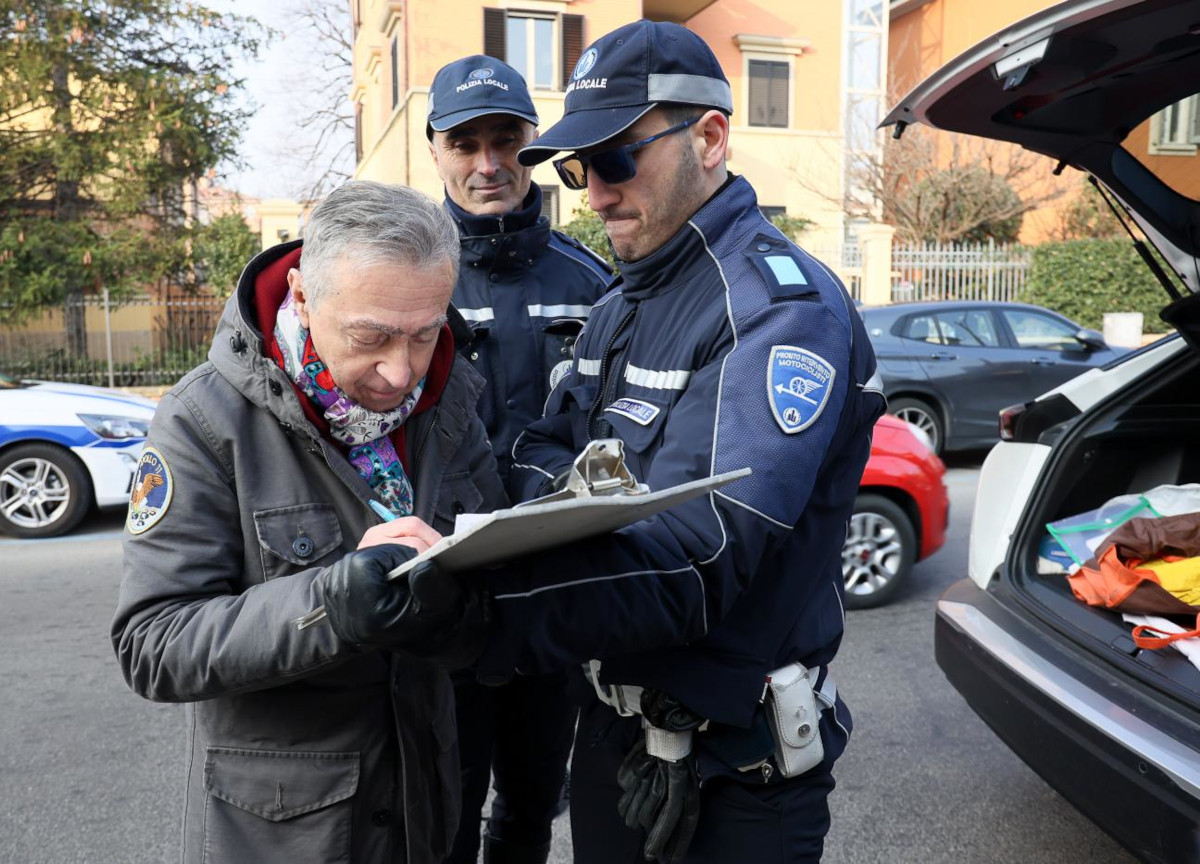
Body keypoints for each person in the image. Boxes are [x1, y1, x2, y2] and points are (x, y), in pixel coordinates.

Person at [312, 20, 886, 864]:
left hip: (738, 766)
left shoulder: (776, 306)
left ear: (711, 137)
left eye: (617, 160)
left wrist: (472, 609)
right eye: (579, 169)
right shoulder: (622, 303)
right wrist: (588, 490)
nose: (595, 194)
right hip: (615, 735)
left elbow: (703, 554)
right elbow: (543, 450)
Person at [111, 181, 506, 864]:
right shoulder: (205, 421)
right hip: (282, 833)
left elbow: (489, 599)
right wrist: (330, 606)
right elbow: (153, 645)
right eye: (371, 337)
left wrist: (457, 609)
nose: (400, 370)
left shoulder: (450, 402)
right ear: (301, 296)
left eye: (424, 333)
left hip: (426, 814)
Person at [425, 55, 612, 864]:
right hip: (441, 596)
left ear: (532, 145)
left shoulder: (593, 281)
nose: (487, 165)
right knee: (446, 807)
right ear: (435, 149)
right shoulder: (410, 277)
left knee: (534, 802)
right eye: (465, 144)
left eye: (505, 140)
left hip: (550, 596)